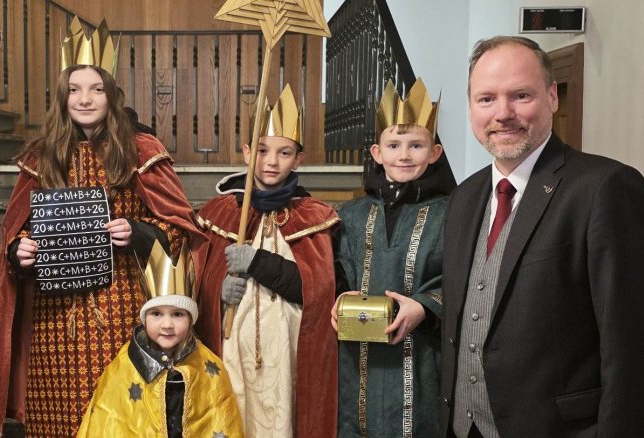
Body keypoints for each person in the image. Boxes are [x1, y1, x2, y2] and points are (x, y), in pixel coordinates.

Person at [0, 17, 204, 437]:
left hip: (120, 307)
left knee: (121, 418)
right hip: (53, 317)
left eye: (96, 89)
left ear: (111, 94)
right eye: (74, 89)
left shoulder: (141, 150)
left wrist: (137, 231)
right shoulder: (40, 157)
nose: (85, 99)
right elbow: (18, 231)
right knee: (56, 420)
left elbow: (179, 229)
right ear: (62, 97)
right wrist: (19, 251)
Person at [441, 35, 644, 437]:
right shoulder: (464, 197)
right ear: (471, 107)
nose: (503, 113)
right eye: (486, 99)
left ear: (551, 97)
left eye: (521, 95)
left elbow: (637, 350)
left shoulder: (606, 188)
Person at [194, 84, 339, 437]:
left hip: (288, 351)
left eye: (284, 152)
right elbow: (194, 282)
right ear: (247, 153)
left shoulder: (315, 217)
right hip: (232, 349)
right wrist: (218, 291)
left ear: (298, 159)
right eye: (262, 151)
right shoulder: (218, 214)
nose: (272, 162)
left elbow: (316, 291)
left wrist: (257, 261)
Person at [332, 78, 453, 437]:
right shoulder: (351, 214)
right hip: (357, 357)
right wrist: (338, 296)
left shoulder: (452, 212)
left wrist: (426, 306)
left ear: (434, 152)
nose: (404, 155)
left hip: (420, 355)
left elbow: (465, 278)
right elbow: (336, 269)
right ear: (376, 152)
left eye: (416, 145)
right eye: (394, 145)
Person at [77, 242, 243, 437]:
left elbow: (220, 415)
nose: (167, 324)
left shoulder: (207, 365)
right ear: (144, 318)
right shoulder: (124, 366)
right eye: (156, 314)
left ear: (191, 319)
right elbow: (108, 421)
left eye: (177, 314)